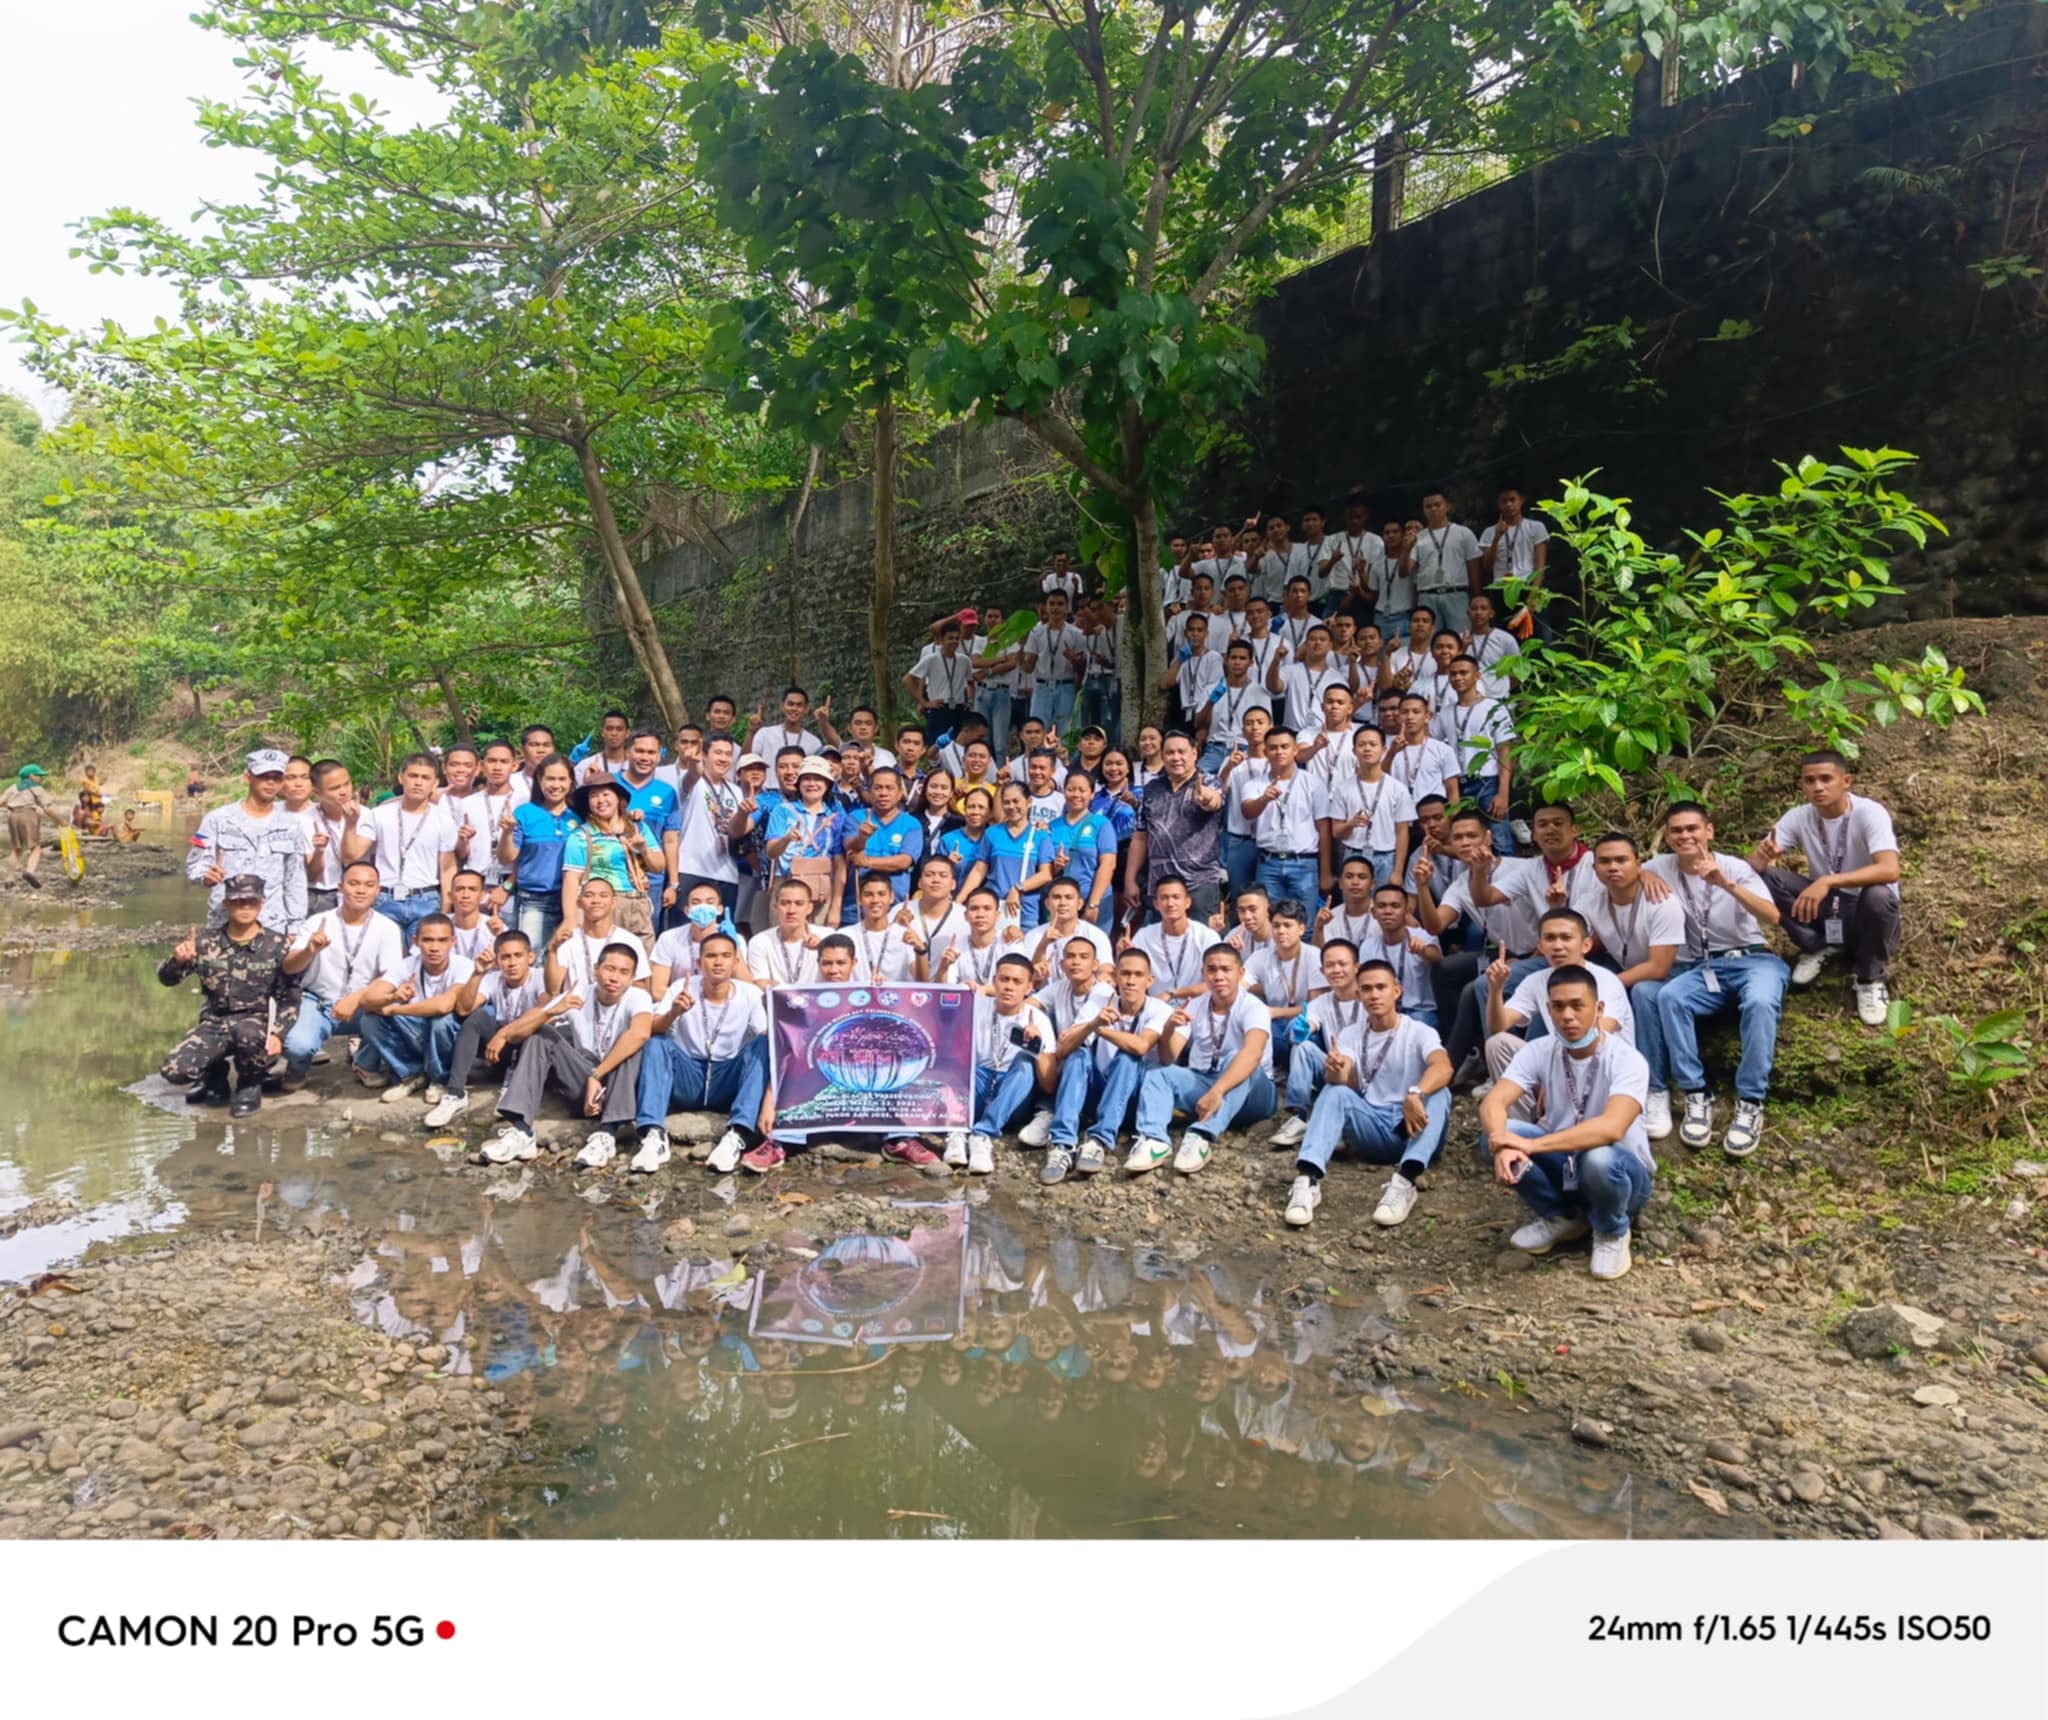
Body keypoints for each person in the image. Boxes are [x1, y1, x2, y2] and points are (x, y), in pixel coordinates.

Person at [1481, 966, 1653, 1281]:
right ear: (1548, 1010)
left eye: (1578, 1005)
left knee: (1599, 1157)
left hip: (1620, 1175)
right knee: (1498, 1134)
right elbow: (1495, 1101)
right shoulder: (1540, 1050)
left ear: (1599, 1009)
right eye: (1558, 1007)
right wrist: (1501, 1141)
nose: (1568, 1016)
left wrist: (1529, 1145)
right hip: (1566, 1166)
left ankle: (1612, 1229)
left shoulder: (1627, 1059)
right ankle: (1563, 1217)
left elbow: (1611, 1128)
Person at [1646, 801, 1787, 1158]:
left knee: (1759, 1002)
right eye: (1676, 831)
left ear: (1709, 831)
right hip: (1703, 968)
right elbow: (1623, 868)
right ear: (1667, 836)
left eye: (1692, 828)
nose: (1685, 836)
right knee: (1670, 997)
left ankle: (1751, 1102)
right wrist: (1642, 874)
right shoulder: (1660, 867)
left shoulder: (1735, 867)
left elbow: (1772, 916)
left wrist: (1726, 884)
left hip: (1753, 959)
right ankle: (1696, 1094)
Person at [1286, 957, 1454, 1230]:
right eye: (1367, 989)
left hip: (1412, 1125)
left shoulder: (1419, 1031)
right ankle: (1307, 1179)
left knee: (1439, 1093)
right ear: (1358, 994)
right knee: (1333, 1091)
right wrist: (1334, 1068)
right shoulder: (1352, 1033)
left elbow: (1443, 1066)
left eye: (1381, 987)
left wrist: (1415, 1093)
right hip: (1372, 1123)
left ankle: (1406, 1180)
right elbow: (1342, 1075)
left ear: (1396, 991)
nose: (1374, 995)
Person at [1751, 749, 1902, 1026]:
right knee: (1764, 878)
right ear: (1802, 785)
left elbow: (1889, 869)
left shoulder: (1870, 813)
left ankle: (1870, 977)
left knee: (1878, 894)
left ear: (1846, 781)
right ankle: (1818, 945)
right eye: (1810, 781)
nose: (1818, 787)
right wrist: (1761, 858)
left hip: (1867, 916)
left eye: (1825, 779)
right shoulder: (1800, 816)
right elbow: (1750, 870)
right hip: (1830, 911)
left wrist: (1828, 880)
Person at [476, 941, 656, 1169]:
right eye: (609, 968)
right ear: (596, 969)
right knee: (540, 1033)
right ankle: (522, 1131)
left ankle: (607, 1134)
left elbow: (640, 1033)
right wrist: (549, 1011)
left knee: (634, 1045)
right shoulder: (580, 992)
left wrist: (597, 1075)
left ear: (632, 978)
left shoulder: (638, 997)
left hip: (618, 1082)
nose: (614, 978)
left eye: (623, 972)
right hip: (582, 1079)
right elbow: (523, 1030)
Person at [156, 874, 302, 1117]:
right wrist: (178, 961)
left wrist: (278, 1032)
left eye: (251, 901)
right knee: (175, 1070)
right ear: (226, 904)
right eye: (238, 901)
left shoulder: (277, 944)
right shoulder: (206, 942)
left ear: (261, 904)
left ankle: (249, 1084)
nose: (245, 907)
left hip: (256, 1022)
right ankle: (215, 1073)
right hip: (215, 1022)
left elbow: (291, 995)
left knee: (247, 1034)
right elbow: (167, 980)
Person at [1571, 832, 1686, 1137]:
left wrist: (1608, 985)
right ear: (1594, 869)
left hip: (1676, 974)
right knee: (1564, 988)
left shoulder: (1661, 901)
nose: (1613, 868)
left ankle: (1654, 1088)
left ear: (1639, 863)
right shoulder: (1590, 901)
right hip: (1622, 968)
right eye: (1605, 861)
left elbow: (1660, 967)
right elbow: (1572, 942)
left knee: (1645, 993)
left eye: (1622, 860)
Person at [1126, 944, 1275, 1175]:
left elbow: (1253, 1053)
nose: (1219, 976)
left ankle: (1201, 1134)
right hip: (1205, 1082)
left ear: (1240, 973)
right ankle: (1154, 1140)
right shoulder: (1195, 1004)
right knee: (1157, 1071)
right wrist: (1168, 1028)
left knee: (1237, 1058)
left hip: (1254, 1093)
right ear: (1204, 973)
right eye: (1212, 970)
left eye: (1226, 969)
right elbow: (1168, 1058)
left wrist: (1217, 1092)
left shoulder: (1254, 1007)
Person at [635, 930, 771, 1175]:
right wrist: (673, 1013)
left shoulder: (750, 994)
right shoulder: (682, 986)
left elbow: (764, 1034)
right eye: (710, 956)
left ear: (735, 961)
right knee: (657, 1044)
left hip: (726, 1078)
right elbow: (653, 1027)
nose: (718, 962)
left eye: (725, 956)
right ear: (699, 962)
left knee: (763, 1045)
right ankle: (653, 1135)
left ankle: (736, 1135)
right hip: (690, 1075)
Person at [1040, 948, 1175, 1183]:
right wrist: (1092, 1023)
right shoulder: (1100, 1001)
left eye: (1138, 975)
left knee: (1127, 1058)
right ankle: (1062, 1144)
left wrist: (1099, 1029)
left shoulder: (1159, 1009)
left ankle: (1099, 1140)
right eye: (1125, 974)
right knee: (1078, 1056)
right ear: (1115, 977)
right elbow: (1062, 1050)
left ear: (1149, 980)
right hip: (1099, 1092)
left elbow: (1142, 1046)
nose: (1130, 981)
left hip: (1132, 1099)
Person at [279, 859, 404, 1089]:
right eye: (354, 883)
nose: (360, 890)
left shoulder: (387, 928)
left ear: (378, 890)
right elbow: (289, 967)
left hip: (363, 1004)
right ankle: (297, 1068)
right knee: (297, 1046)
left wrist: (356, 998)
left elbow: (390, 977)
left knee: (394, 1010)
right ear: (340, 887)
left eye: (368, 885)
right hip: (318, 1001)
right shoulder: (318, 922)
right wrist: (309, 950)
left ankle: (365, 1063)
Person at [1483, 907, 1633, 1096]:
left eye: (1566, 938)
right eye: (1550, 938)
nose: (1557, 946)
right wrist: (1495, 990)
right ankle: (1521, 1119)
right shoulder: (1535, 981)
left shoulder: (1605, 980)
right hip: (1562, 1059)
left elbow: (1598, 1035)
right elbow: (1498, 1026)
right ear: (1540, 945)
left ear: (1586, 945)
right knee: (1498, 1043)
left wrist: (1555, 1074)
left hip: (1605, 1069)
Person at [426, 926, 551, 1129]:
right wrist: (477, 973)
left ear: (531, 957)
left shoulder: (541, 978)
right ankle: (455, 1093)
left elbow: (542, 1012)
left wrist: (503, 1033)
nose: (511, 963)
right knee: (477, 1018)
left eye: (517, 956)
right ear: (497, 960)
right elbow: (464, 1009)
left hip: (531, 1050)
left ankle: (514, 1091)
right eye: (505, 957)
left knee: (535, 1029)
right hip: (501, 1051)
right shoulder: (493, 979)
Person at [352, 912, 477, 1100]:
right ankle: (412, 1074)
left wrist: (394, 1008)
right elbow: (366, 1000)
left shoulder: (464, 966)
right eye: (427, 940)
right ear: (415, 941)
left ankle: (440, 1078)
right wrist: (392, 996)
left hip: (450, 1035)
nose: (434, 948)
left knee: (441, 1020)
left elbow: (444, 1005)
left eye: (442, 940)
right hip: (417, 1030)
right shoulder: (406, 965)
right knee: (371, 1020)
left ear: (453, 941)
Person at [953, 953, 1059, 1174]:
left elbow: (1049, 1085)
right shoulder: (976, 1007)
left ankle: (983, 1135)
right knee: (961, 1065)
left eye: (1017, 982)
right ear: (994, 980)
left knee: (1025, 1063)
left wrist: (1036, 1048)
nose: (1009, 986)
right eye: (1004, 979)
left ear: (1029, 987)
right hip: (979, 1084)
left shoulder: (1038, 1018)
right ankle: (956, 1132)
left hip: (1012, 1096)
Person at [188, 748, 312, 936]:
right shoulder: (216, 819)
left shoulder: (291, 826)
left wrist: (295, 927)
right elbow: (194, 864)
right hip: (224, 923)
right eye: (264, 776)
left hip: (272, 926)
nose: (270, 782)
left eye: (277, 778)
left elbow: (295, 879)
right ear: (248, 778)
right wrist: (205, 876)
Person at [1015, 932, 1117, 1149]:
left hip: (1098, 1078)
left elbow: (1066, 1048)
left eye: (1083, 957)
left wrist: (1057, 1044)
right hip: (1067, 1071)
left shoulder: (1103, 993)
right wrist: (1030, 1024)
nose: (1076, 962)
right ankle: (1045, 1112)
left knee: (1078, 1054)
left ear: (1095, 964)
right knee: (1031, 1047)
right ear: (1062, 963)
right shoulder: (1061, 987)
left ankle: (1060, 1132)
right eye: (1070, 957)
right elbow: (1026, 1006)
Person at [343, 751, 454, 947]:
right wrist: (351, 825)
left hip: (426, 899)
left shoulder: (443, 820)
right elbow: (352, 855)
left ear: (435, 783)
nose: (418, 782)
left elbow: (447, 868)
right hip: (385, 898)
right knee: (384, 962)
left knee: (422, 963)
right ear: (401, 778)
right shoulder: (379, 815)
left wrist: (445, 910)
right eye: (413, 776)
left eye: (425, 778)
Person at [1124, 732, 1226, 924]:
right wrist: (1130, 879)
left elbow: (1214, 800)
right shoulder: (1152, 789)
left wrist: (1206, 799)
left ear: (1194, 754)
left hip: (1199, 883)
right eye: (1170, 752)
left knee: (1202, 946)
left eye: (1182, 752)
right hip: (1160, 886)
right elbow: (1140, 837)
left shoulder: (1209, 782)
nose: (1176, 757)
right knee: (1159, 945)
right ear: (1162, 756)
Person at [1432, 654, 1515, 854]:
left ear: (1476, 675)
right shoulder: (1445, 712)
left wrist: (1503, 792)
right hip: (1458, 784)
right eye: (1453, 674)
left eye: (1463, 673)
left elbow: (1505, 749)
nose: (1458, 678)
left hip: (1487, 781)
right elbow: (1435, 744)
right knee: (1465, 840)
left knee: (1500, 839)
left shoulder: (1494, 708)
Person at [561, 777, 658, 940]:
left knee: (642, 960)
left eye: (606, 794)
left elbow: (659, 866)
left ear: (618, 799)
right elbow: (571, 879)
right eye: (594, 796)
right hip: (601, 904)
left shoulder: (638, 827)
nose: (600, 800)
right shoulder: (581, 835)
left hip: (637, 903)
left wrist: (644, 850)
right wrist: (570, 920)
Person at [501, 754, 580, 951]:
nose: (556, 785)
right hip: (534, 899)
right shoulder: (525, 813)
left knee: (568, 958)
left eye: (562, 779)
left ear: (571, 782)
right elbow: (507, 857)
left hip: (574, 900)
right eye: (550, 779)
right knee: (533, 957)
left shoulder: (579, 815)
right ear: (539, 780)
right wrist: (508, 832)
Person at [1325, 725, 1416, 888]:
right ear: (1354, 751)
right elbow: (1336, 832)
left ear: (1383, 749)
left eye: (1373, 744)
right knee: (1354, 906)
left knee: (1384, 909)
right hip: (1352, 854)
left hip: (1386, 857)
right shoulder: (1343, 789)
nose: (1367, 748)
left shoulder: (1398, 789)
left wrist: (1398, 871)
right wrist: (1350, 824)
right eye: (1361, 745)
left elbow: (1402, 832)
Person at [959, 781, 1054, 931]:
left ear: (1029, 802)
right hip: (993, 909)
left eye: (1016, 801)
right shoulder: (993, 833)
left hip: (1025, 911)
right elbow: (979, 870)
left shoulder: (1040, 836)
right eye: (1006, 802)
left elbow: (1046, 874)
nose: (1011, 807)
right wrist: (960, 901)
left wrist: (1017, 889)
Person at [762, 757, 844, 925]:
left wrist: (835, 907)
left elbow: (840, 864)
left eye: (818, 778)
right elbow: (771, 852)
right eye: (806, 778)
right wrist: (785, 840)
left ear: (827, 784)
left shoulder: (837, 817)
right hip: (786, 882)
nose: (812, 783)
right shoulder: (783, 811)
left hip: (821, 886)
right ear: (798, 783)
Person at [545, 877, 653, 995]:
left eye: (603, 895)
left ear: (613, 903)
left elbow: (639, 987)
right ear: (579, 903)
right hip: (575, 1008)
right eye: (589, 895)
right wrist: (553, 950)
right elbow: (552, 989)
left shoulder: (630, 941)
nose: (596, 900)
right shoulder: (568, 940)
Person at [1040, 768, 1118, 929]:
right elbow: (1045, 870)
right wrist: (1056, 866)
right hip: (1061, 904)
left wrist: (1093, 904)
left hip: (1093, 900)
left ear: (1091, 794)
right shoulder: (1052, 827)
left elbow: (1108, 865)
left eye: (1082, 790)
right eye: (1071, 789)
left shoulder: (1101, 824)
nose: (1076, 795)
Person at [1402, 492, 1482, 637]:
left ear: (1447, 506)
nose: (1433, 509)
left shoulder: (1463, 533)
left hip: (1456, 593)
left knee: (1461, 638)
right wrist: (1406, 550)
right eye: (1428, 506)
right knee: (1429, 642)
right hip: (1427, 595)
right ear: (1423, 510)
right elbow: (1405, 572)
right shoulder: (1419, 538)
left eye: (1437, 505)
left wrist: (1476, 597)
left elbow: (1474, 567)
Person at [1129, 876, 1221, 1001]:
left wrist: (1173, 993)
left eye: (1176, 897)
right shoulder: (1144, 936)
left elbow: (1216, 984)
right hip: (1157, 1008)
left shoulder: (1206, 936)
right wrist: (1121, 955)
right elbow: (1130, 978)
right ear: (1156, 904)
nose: (1170, 903)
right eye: (1164, 898)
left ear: (1187, 902)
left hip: (1198, 1007)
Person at [1476, 485, 1551, 619]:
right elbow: (1487, 565)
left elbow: (1540, 566)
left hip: (1527, 585)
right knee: (1505, 633)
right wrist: (1497, 537)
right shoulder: (1489, 532)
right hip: (1501, 588)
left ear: (1521, 500)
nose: (1509, 505)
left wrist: (1534, 593)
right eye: (1504, 501)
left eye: (1512, 500)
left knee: (1537, 634)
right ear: (1499, 504)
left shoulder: (1535, 527)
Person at [1022, 590, 1088, 735]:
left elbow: (1082, 669)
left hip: (1065, 686)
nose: (1055, 608)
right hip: (1042, 686)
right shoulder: (1036, 633)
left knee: (1066, 732)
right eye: (1051, 604)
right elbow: (1029, 667)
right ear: (1045, 607)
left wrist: (1074, 659)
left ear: (1067, 607)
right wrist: (1021, 654)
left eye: (1060, 604)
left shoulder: (1076, 634)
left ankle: (1065, 758)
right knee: (1037, 729)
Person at [904, 616, 978, 743]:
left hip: (958, 707)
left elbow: (971, 682)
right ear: (942, 640)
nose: (954, 641)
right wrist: (924, 702)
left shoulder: (964, 660)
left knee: (958, 745)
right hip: (939, 707)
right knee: (937, 746)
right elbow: (907, 679)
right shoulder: (931, 659)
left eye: (957, 638)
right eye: (950, 638)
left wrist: (970, 701)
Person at [1384, 694, 1462, 810]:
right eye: (1405, 712)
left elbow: (1453, 793)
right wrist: (1391, 753)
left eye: (1416, 712)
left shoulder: (1443, 750)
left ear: (1427, 716)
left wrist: (1452, 817)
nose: (1410, 717)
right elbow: (1380, 779)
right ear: (1398, 716)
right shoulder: (1388, 749)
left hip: (1434, 816)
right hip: (1400, 815)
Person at [747, 878, 825, 988]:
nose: (791, 910)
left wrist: (824, 949)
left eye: (799, 904)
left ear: (809, 908)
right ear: (775, 907)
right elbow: (760, 984)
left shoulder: (826, 937)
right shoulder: (760, 941)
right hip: (776, 1002)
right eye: (785, 903)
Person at [4, 763, 62, 888]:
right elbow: (47, 809)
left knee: (16, 848)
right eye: (39, 775)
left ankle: (9, 879)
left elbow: (1, 802)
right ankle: (29, 872)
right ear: (31, 776)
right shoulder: (37, 788)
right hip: (28, 815)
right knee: (36, 848)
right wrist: (61, 821)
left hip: (12, 816)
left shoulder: (13, 787)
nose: (41, 778)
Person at [751, 687, 829, 760]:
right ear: (782, 706)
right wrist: (751, 731)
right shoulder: (765, 734)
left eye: (799, 705)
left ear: (806, 709)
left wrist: (824, 723)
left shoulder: (814, 743)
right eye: (790, 704)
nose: (794, 708)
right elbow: (747, 760)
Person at [576, 709, 634, 786]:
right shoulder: (585, 766)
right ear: (602, 732)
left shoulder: (636, 765)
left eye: (619, 729)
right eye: (609, 729)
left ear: (627, 733)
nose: (614, 733)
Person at [75, 765, 106, 836]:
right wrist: (96, 794)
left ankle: (96, 829)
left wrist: (99, 795)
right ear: (85, 772)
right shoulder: (85, 780)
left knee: (98, 813)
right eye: (88, 771)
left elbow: (98, 787)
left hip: (97, 800)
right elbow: (87, 789)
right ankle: (82, 829)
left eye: (91, 771)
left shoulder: (97, 779)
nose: (90, 773)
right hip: (91, 800)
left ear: (94, 772)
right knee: (90, 814)